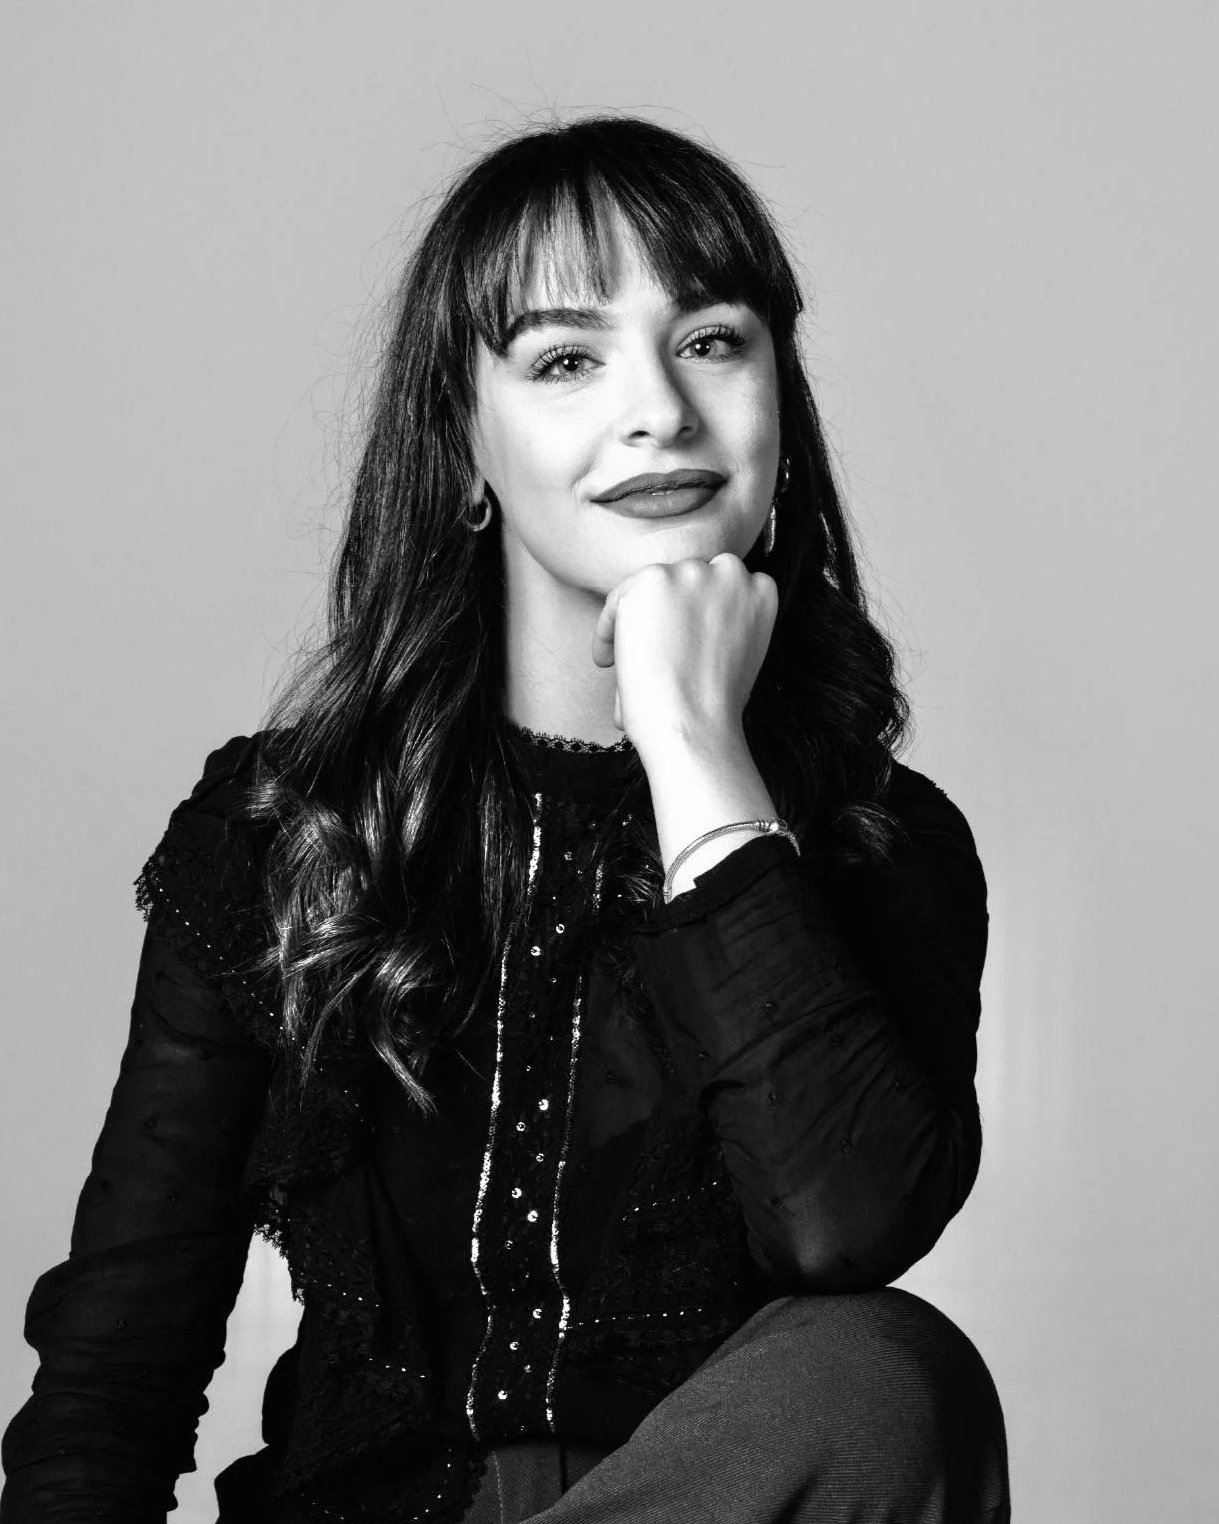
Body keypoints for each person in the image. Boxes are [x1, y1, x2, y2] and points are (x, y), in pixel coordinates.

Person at [0, 115, 1010, 1523]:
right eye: (566, 360)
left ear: (781, 407)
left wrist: (696, 751)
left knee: (881, 1369)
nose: (658, 408)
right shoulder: (282, 827)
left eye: (712, 340)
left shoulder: (881, 848)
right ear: (462, 442)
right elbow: (117, 1362)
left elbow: (839, 1226)